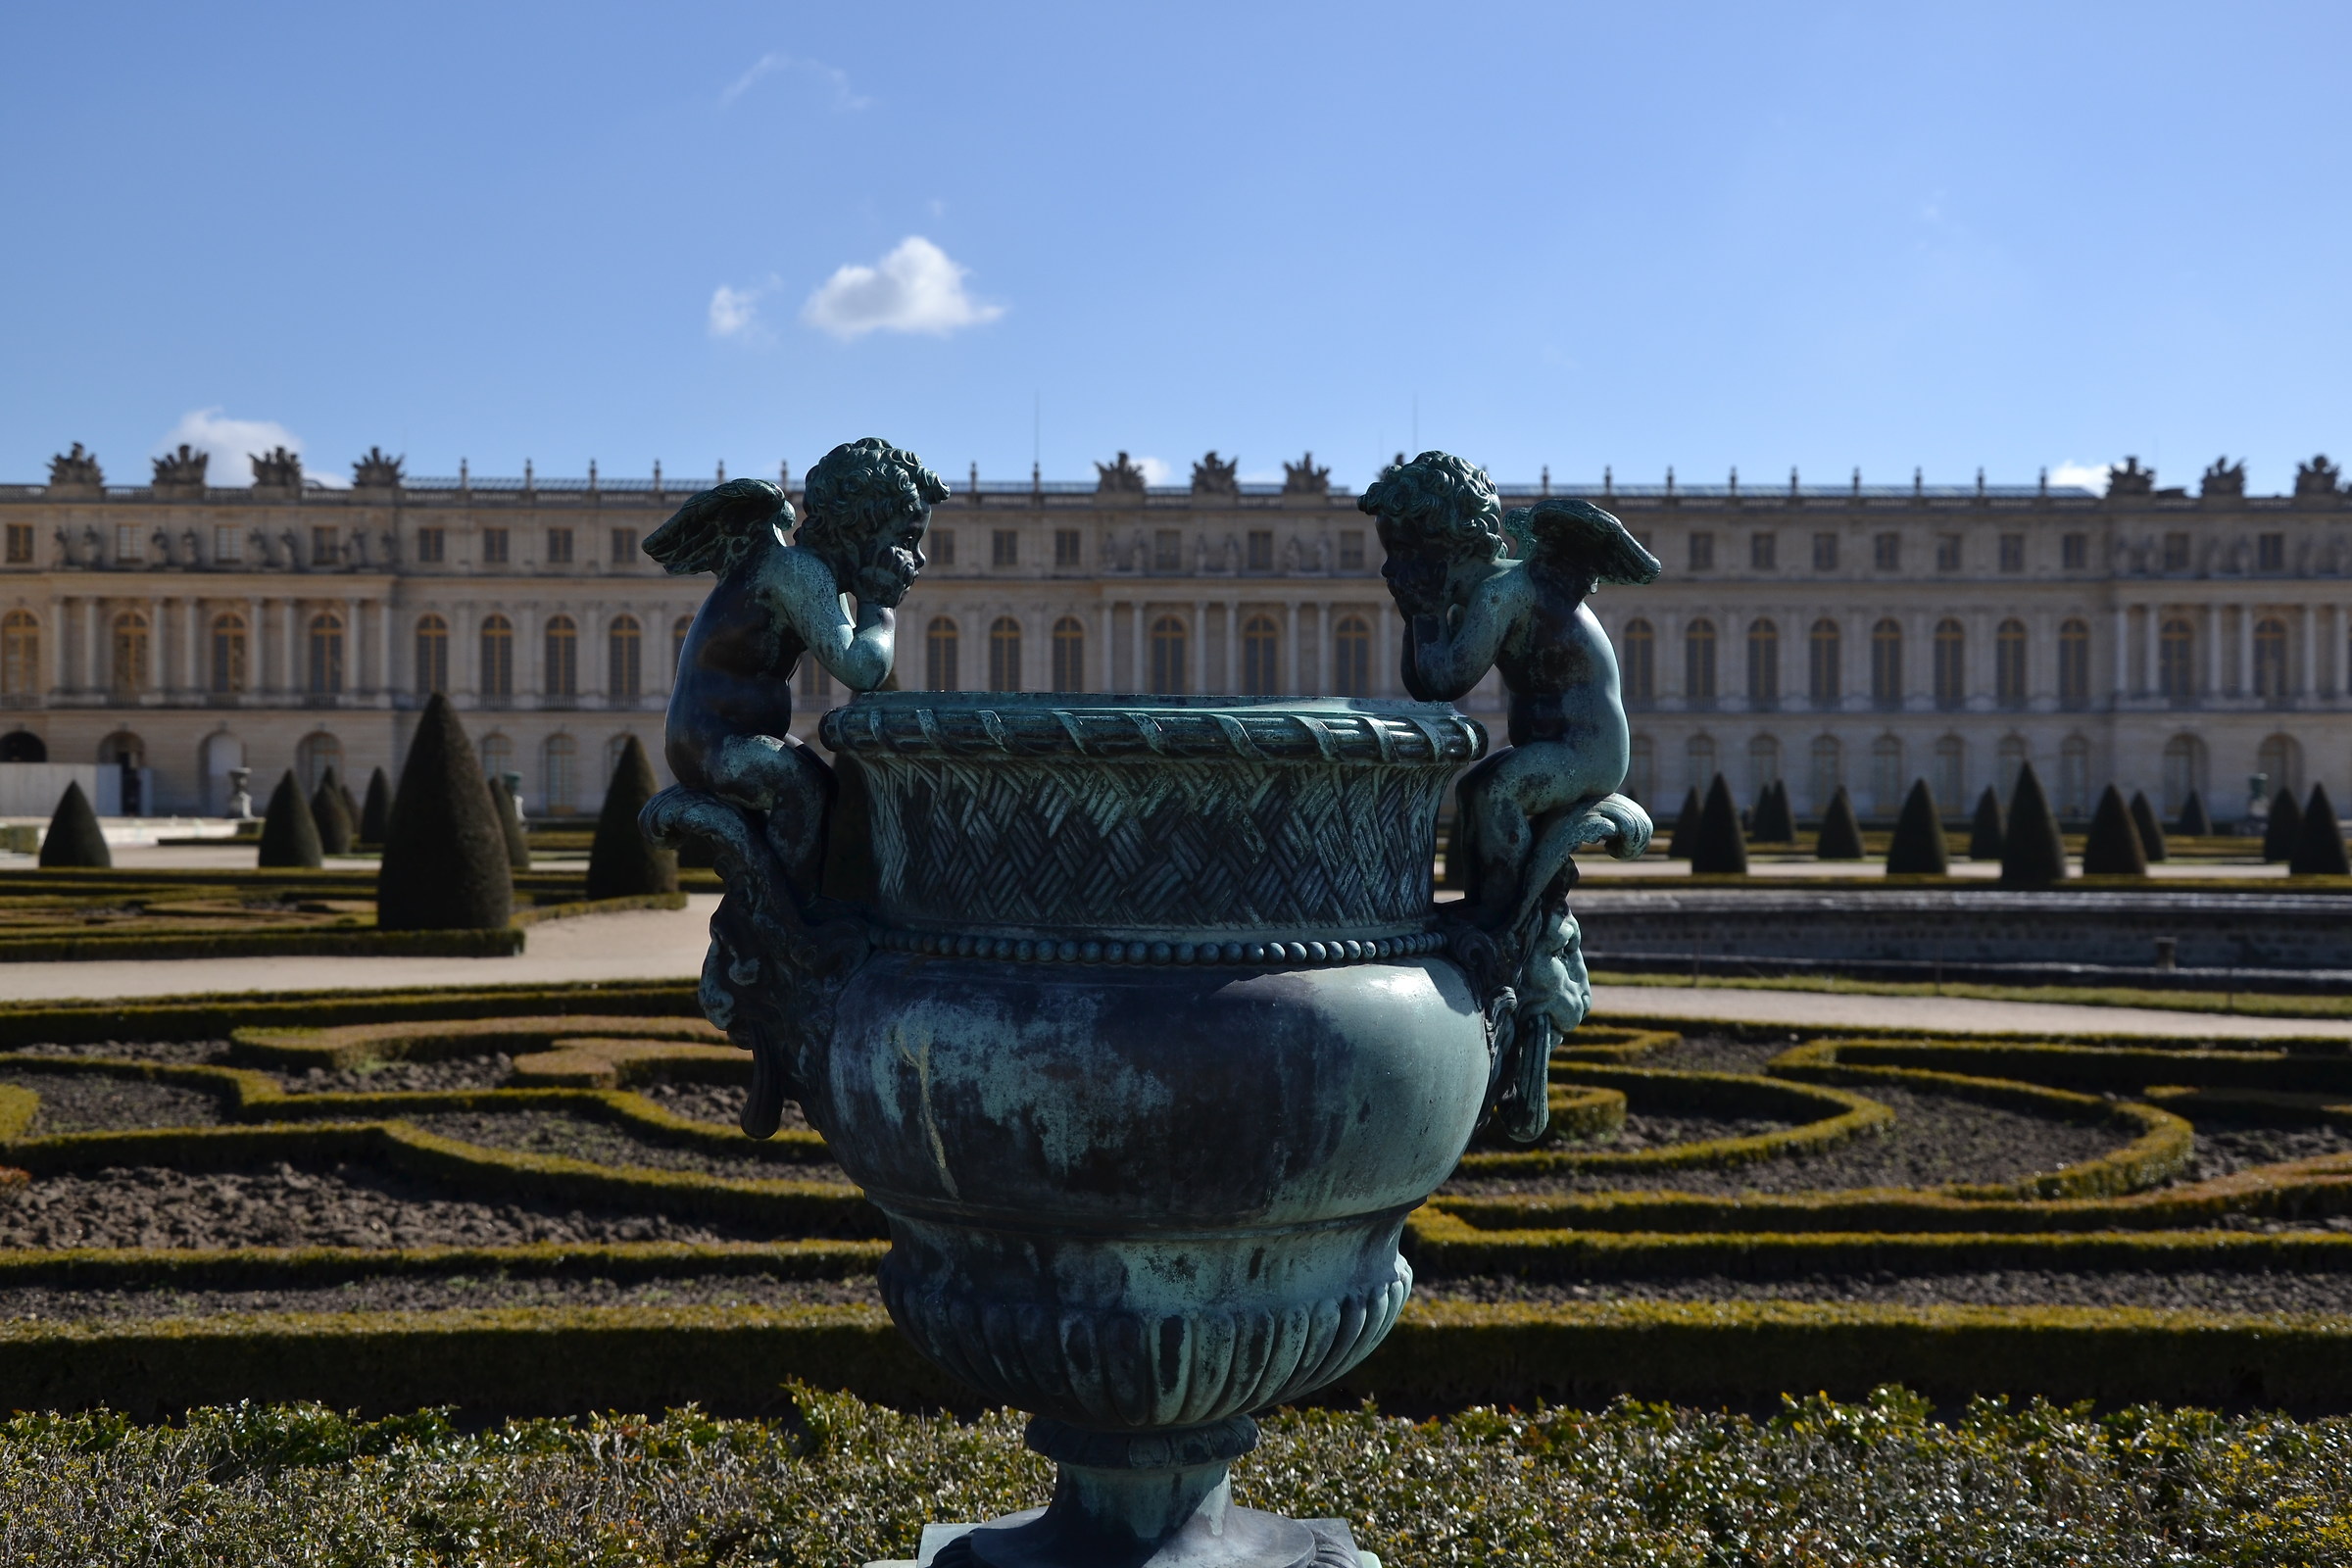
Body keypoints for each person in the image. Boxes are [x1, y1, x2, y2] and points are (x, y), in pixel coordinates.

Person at [1361, 455, 1660, 932]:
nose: (1390, 567)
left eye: (1403, 551)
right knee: (1473, 789)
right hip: (1554, 745)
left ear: (1450, 543)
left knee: (1496, 792)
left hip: (1586, 750)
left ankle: (1499, 920)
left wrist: (1424, 612)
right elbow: (1425, 688)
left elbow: (1448, 681)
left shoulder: (1501, 593)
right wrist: (1417, 614)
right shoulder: (1488, 594)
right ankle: (1485, 902)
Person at [648, 437, 946, 893]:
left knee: (823, 790)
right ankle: (784, 916)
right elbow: (862, 670)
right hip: (715, 742)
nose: (916, 557)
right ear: (862, 527)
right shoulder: (798, 572)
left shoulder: (804, 572)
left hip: (730, 736)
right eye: (906, 538)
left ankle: (786, 904)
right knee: (800, 788)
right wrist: (880, 602)